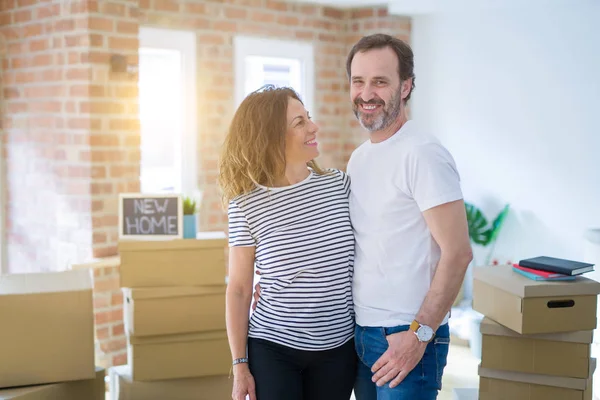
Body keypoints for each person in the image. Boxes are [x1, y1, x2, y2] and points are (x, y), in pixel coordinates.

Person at [346, 34, 473, 400]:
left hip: (408, 332)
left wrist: (420, 335)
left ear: (406, 87)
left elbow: (458, 252)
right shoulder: (360, 157)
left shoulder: (422, 153)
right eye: (359, 81)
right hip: (363, 332)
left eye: (380, 82)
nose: (366, 93)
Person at [218, 85, 357, 400]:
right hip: (274, 347)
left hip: (338, 348)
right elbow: (239, 289)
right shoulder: (246, 205)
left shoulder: (338, 186)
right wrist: (240, 366)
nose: (313, 126)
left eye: (308, 117)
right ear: (270, 138)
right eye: (299, 122)